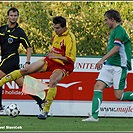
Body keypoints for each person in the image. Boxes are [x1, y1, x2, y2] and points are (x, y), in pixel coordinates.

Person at [0, 16, 76, 119]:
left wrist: (55, 56)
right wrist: (52, 55)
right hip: (50, 60)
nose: (55, 30)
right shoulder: (54, 34)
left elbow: (70, 59)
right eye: (54, 28)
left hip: (63, 65)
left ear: (64, 27)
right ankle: (40, 100)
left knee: (53, 81)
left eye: (57, 28)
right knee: (25, 70)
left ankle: (45, 111)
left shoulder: (70, 38)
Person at [82, 9, 133, 122]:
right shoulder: (114, 31)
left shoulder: (120, 31)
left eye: (106, 20)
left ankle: (94, 116)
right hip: (109, 65)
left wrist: (101, 60)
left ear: (112, 19)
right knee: (98, 86)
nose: (105, 22)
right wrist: (105, 61)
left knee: (118, 96)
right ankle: (94, 117)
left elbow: (116, 48)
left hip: (119, 67)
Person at [0, 7, 44, 111]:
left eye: (15, 16)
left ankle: (0, 107)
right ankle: (41, 101)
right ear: (7, 16)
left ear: (17, 17)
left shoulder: (19, 32)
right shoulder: (2, 29)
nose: (13, 17)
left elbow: (28, 47)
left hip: (12, 59)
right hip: (5, 60)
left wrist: (28, 62)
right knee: (21, 84)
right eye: (11, 15)